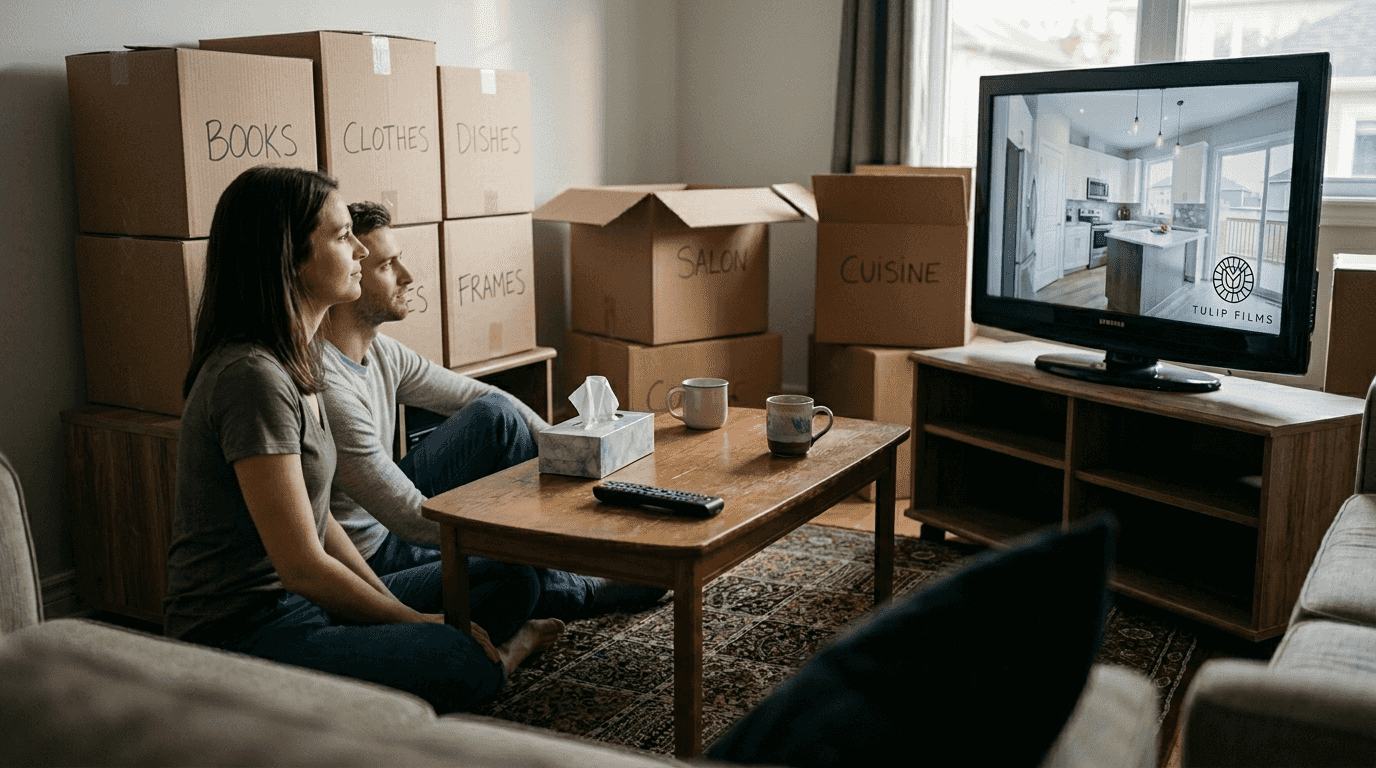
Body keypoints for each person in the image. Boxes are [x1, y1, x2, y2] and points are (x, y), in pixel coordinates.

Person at [162, 166, 562, 713]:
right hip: (246, 635)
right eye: (340, 234)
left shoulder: (297, 362)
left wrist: (383, 597)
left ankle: (471, 646)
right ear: (289, 258)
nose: (358, 249)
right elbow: (300, 565)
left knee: (510, 581)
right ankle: (506, 656)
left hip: (310, 605)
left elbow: (319, 520)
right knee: (454, 656)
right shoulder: (251, 377)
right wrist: (416, 621)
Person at [318, 200, 662, 618]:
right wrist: (517, 540)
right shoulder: (327, 386)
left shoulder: (384, 353)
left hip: (395, 514)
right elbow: (409, 519)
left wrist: (570, 450)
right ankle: (581, 583)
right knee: (513, 575)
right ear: (351, 276)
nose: (408, 278)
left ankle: (579, 552)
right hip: (372, 556)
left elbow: (485, 400)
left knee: (496, 413)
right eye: (388, 266)